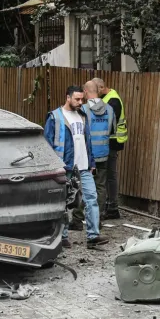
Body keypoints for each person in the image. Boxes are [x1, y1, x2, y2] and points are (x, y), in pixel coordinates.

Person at [44, 86, 108, 249]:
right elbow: (47, 144)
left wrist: (92, 163)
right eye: (77, 99)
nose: (81, 102)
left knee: (91, 199)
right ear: (68, 97)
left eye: (82, 99)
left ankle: (93, 237)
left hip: (84, 167)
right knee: (63, 203)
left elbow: (88, 142)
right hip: (64, 167)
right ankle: (63, 237)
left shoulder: (83, 116)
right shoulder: (55, 117)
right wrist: (52, 168)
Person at [80, 80, 119, 222]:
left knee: (84, 184)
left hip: (87, 155)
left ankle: (83, 215)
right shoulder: (109, 109)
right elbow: (112, 130)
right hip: (103, 152)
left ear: (85, 92)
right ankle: (99, 215)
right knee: (101, 186)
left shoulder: (83, 109)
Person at [93, 78, 127, 220]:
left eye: (95, 91)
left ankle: (112, 207)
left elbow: (108, 122)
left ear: (101, 88)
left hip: (112, 142)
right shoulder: (108, 97)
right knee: (107, 176)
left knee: (110, 176)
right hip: (108, 141)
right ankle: (110, 205)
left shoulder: (113, 100)